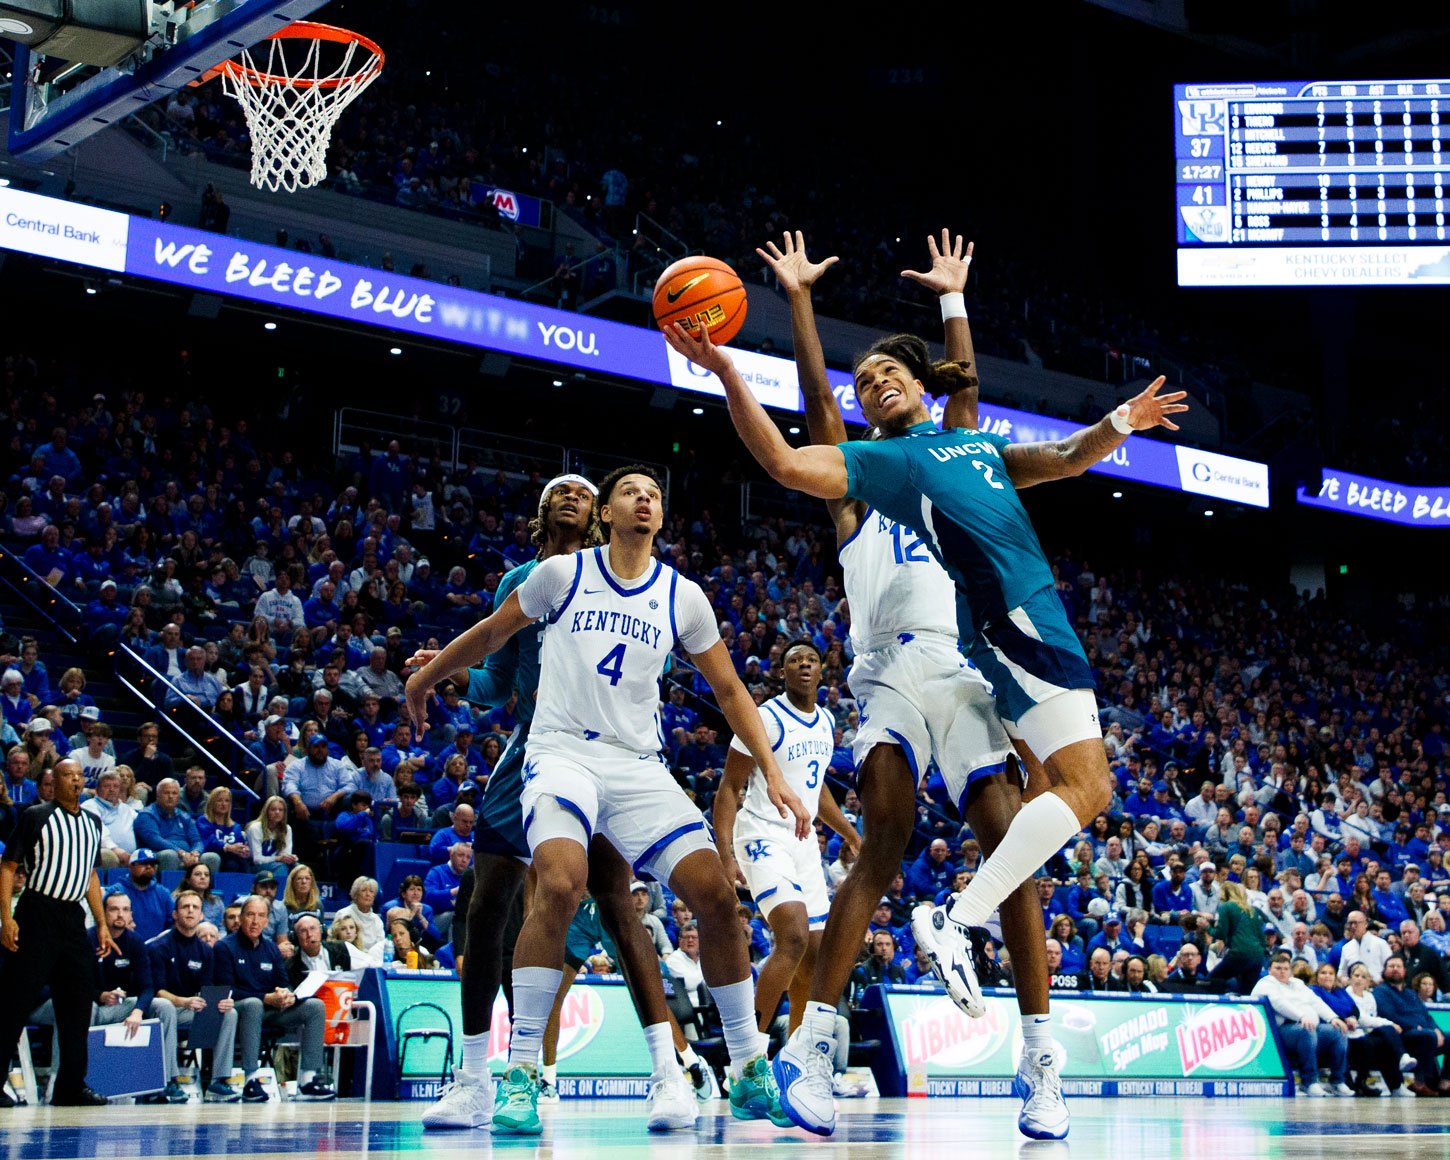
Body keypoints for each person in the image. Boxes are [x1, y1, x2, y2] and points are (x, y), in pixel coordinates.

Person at [747, 233, 1083, 1141]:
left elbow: (966, 391)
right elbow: (816, 401)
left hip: (968, 664)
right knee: (882, 840)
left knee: (1008, 847)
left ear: (921, 387)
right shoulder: (857, 481)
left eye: (884, 378)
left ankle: (1041, 1059)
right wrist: (800, 301)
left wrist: (953, 301)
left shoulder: (956, 456)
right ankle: (814, 1046)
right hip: (888, 672)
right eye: (863, 388)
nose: (869, 389)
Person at [406, 465, 808, 1135]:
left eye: (654, 492)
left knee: (712, 894)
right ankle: (518, 1076)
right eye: (630, 490)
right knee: (557, 885)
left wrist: (775, 771)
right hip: (558, 749)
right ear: (611, 513)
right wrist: (427, 674)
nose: (644, 499)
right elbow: (490, 641)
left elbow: (734, 692)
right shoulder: (556, 576)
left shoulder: (683, 596)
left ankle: (746, 1067)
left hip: (636, 763)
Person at [715, 639, 861, 1034]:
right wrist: (725, 854)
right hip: (762, 834)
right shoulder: (763, 718)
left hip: (804, 843)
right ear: (783, 673)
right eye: (794, 660)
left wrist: (850, 833)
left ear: (822, 671)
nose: (804, 665)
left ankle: (796, 1059)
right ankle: (751, 1055)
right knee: (793, 935)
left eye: (811, 659)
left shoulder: (828, 721)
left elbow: (816, 790)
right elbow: (729, 787)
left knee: (813, 957)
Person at [0, 759, 112, 1108]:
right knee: (14, 1003)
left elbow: (91, 875)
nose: (75, 780)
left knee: (78, 1005)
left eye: (79, 775)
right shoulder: (37, 815)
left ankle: (71, 1086)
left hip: (73, 919)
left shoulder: (94, 821)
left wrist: (103, 923)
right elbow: (8, 865)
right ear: (53, 781)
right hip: (37, 912)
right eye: (67, 775)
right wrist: (7, 916)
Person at [214, 895, 335, 1102]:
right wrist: (265, 998)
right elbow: (226, 991)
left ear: (267, 921)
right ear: (241, 918)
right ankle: (251, 1080)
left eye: (261, 916)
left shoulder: (270, 948)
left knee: (315, 1006)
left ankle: (308, 1079)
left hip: (270, 1008)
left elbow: (283, 981)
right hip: (239, 1009)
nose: (255, 921)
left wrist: (286, 994)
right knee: (253, 1004)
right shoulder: (224, 947)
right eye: (250, 915)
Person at [148, 889, 241, 1101]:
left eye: (195, 907)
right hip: (165, 1008)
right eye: (185, 907)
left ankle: (218, 1081)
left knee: (229, 1014)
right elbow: (157, 989)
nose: (190, 911)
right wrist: (183, 1001)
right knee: (167, 1007)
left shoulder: (206, 951)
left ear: (201, 915)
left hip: (191, 1009)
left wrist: (220, 1002)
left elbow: (206, 988)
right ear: (174, 914)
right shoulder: (159, 946)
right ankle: (168, 1081)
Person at [1251, 951, 1351, 1096]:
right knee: (1306, 1031)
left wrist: (1333, 1018)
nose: (1282, 972)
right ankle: (1309, 1082)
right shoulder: (1266, 983)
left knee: (1337, 1030)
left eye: (1285, 968)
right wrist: (1301, 1016)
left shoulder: (1297, 983)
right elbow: (1280, 1004)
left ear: (1290, 970)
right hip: (1278, 1032)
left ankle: (1337, 1081)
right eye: (1278, 968)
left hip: (1306, 1025)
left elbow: (1315, 1001)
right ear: (1269, 970)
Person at [1374, 954, 1450, 1094]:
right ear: (1384, 971)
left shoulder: (1410, 993)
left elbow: (1426, 1015)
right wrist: (1416, 1026)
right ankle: (1420, 1083)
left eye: (1398, 966)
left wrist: (1436, 1030)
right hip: (1401, 1034)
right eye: (1391, 966)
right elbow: (1389, 1016)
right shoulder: (1381, 991)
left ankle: (1445, 1081)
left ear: (1404, 970)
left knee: (1446, 1036)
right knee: (1427, 1036)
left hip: (1422, 1031)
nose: (1395, 969)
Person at [1209, 881, 1266, 995]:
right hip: (1257, 957)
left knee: (1211, 981)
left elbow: (1221, 934)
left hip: (1239, 954)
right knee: (1247, 994)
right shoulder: (1251, 910)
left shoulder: (1226, 906)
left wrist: (1206, 928)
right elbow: (1261, 938)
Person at [245, 794, 297, 873]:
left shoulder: (287, 829)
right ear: (266, 811)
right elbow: (257, 859)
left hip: (276, 864)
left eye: (280, 810)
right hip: (255, 866)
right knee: (281, 867)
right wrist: (278, 858)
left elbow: (285, 854)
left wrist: (290, 858)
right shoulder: (255, 828)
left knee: (299, 868)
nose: (277, 812)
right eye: (273, 809)